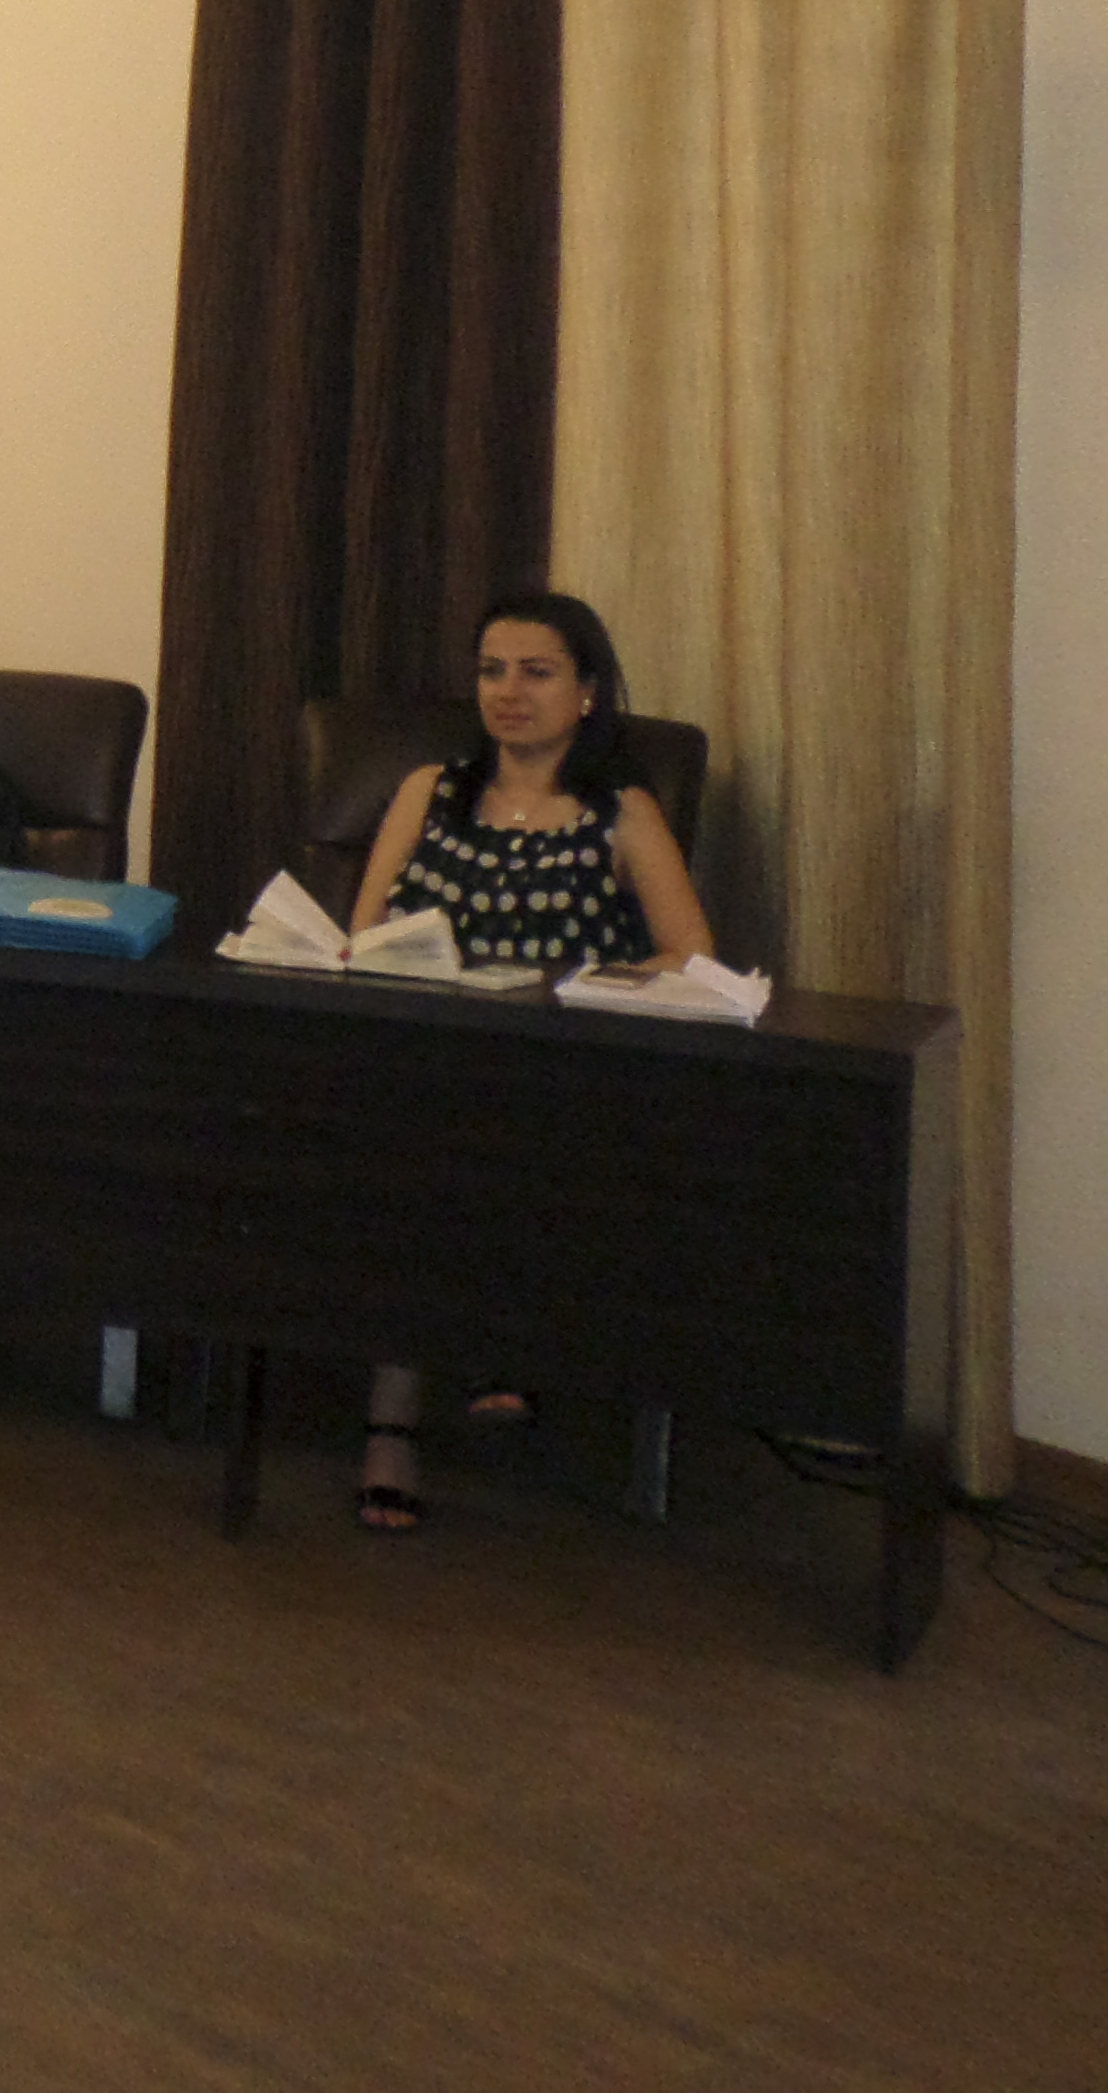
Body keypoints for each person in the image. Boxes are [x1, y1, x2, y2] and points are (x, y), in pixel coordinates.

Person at [336, 588, 717, 1532]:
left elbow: (691, 957)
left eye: (536, 672)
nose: (509, 692)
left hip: (560, 1072)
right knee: (420, 1141)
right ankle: (408, 1416)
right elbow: (365, 930)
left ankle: (450, 1383)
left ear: (586, 692)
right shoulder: (430, 791)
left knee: (475, 1149)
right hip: (424, 1056)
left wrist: (577, 983)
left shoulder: (621, 812)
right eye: (492, 671)